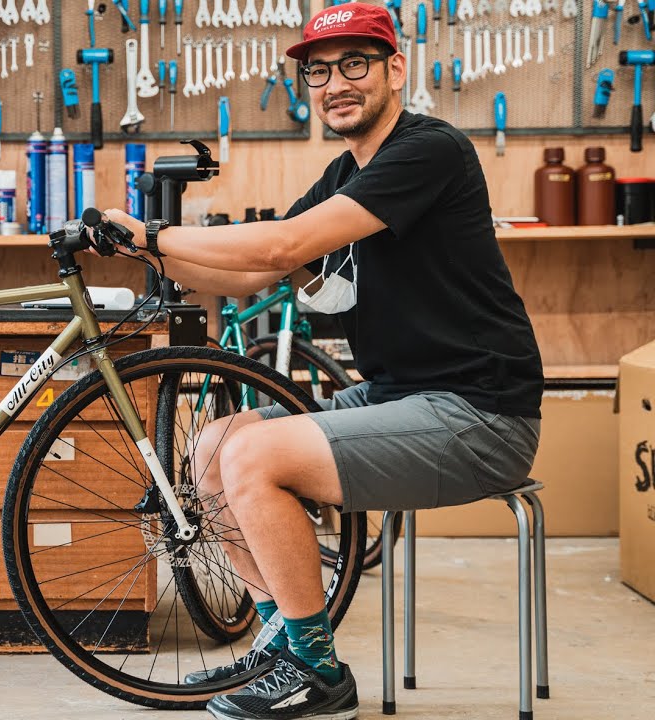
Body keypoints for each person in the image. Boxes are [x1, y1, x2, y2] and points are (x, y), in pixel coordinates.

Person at [97, 3, 544, 719]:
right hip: (401, 397)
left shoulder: (429, 151)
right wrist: (140, 247)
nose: (335, 82)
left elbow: (278, 249)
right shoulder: (346, 170)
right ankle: (284, 639)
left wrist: (153, 232)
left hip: (480, 414)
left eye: (355, 64)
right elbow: (248, 279)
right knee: (215, 445)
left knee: (256, 457)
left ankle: (318, 673)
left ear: (397, 69)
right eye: (319, 70)